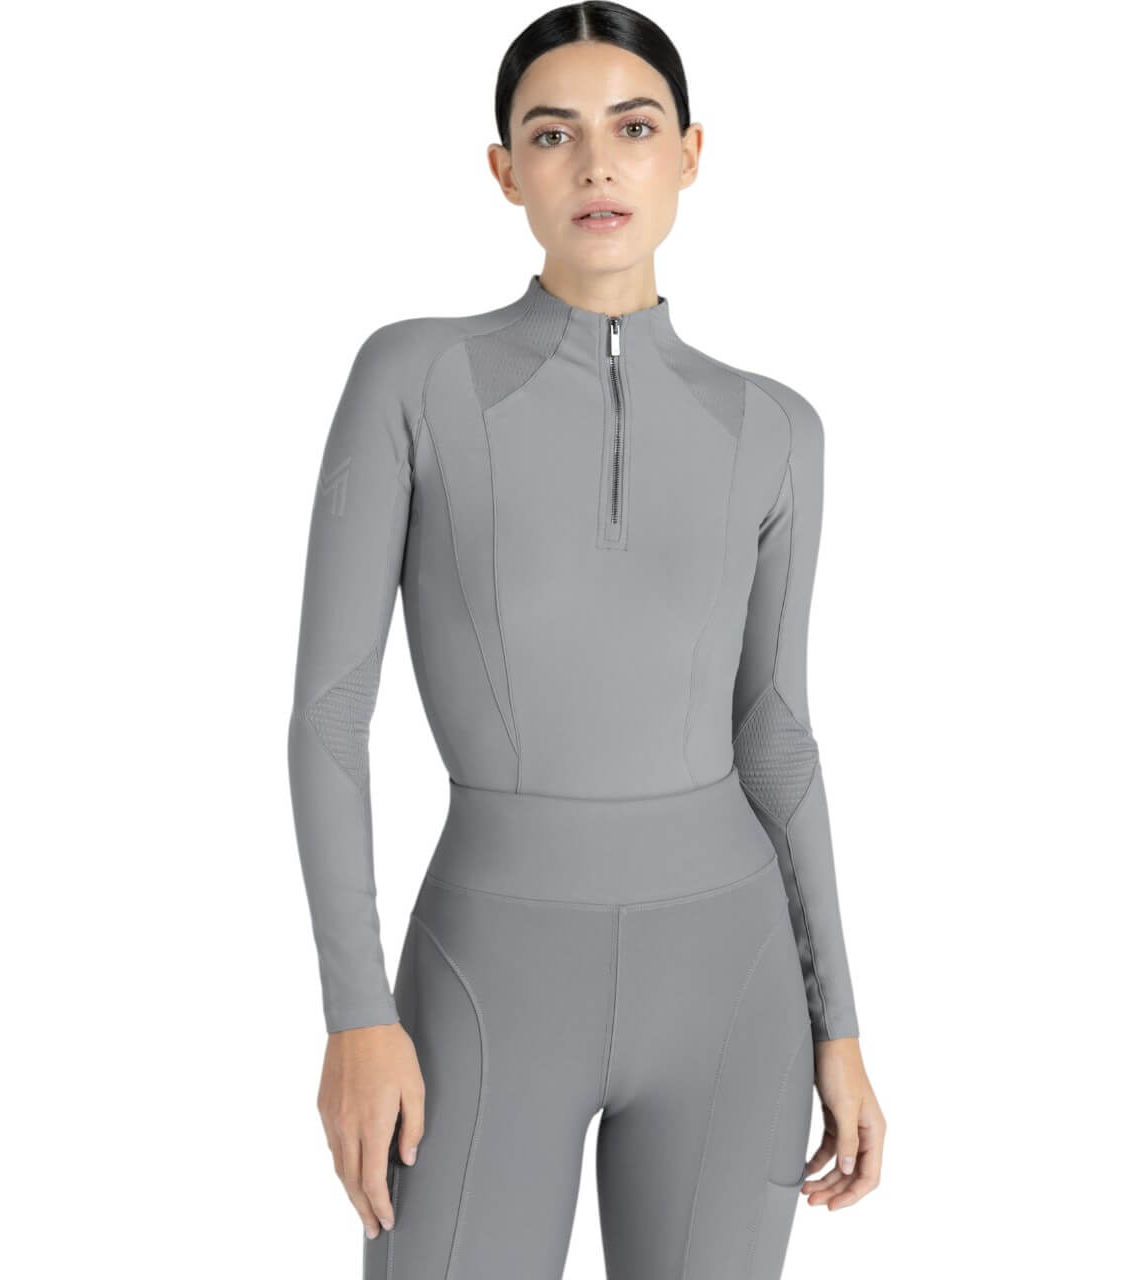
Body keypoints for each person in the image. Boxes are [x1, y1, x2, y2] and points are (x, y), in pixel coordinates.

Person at [287, 4, 886, 1275]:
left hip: (732, 987)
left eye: (634, 128)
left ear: (690, 153)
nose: (597, 164)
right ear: (504, 170)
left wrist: (837, 1023)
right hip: (483, 975)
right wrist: (354, 1011)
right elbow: (332, 715)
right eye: (552, 134)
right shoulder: (415, 378)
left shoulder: (774, 427)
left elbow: (775, 735)